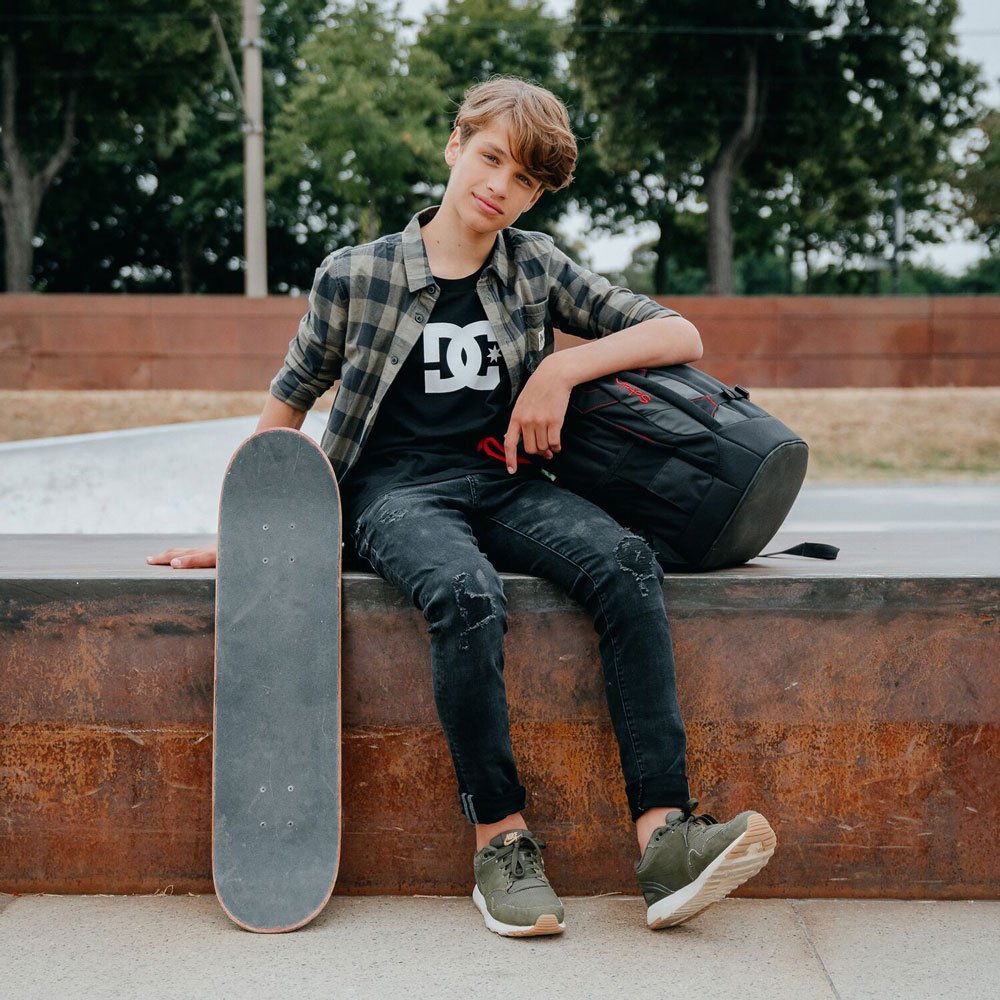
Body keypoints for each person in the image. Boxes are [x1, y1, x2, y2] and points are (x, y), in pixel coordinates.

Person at [148, 76, 775, 938]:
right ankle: (500, 842)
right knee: (466, 593)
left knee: (629, 564)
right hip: (392, 492)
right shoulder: (356, 275)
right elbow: (289, 401)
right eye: (490, 160)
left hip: (507, 484)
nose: (499, 188)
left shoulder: (534, 266)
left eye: (523, 181)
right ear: (455, 144)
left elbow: (678, 334)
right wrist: (257, 532)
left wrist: (560, 367)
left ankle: (664, 840)